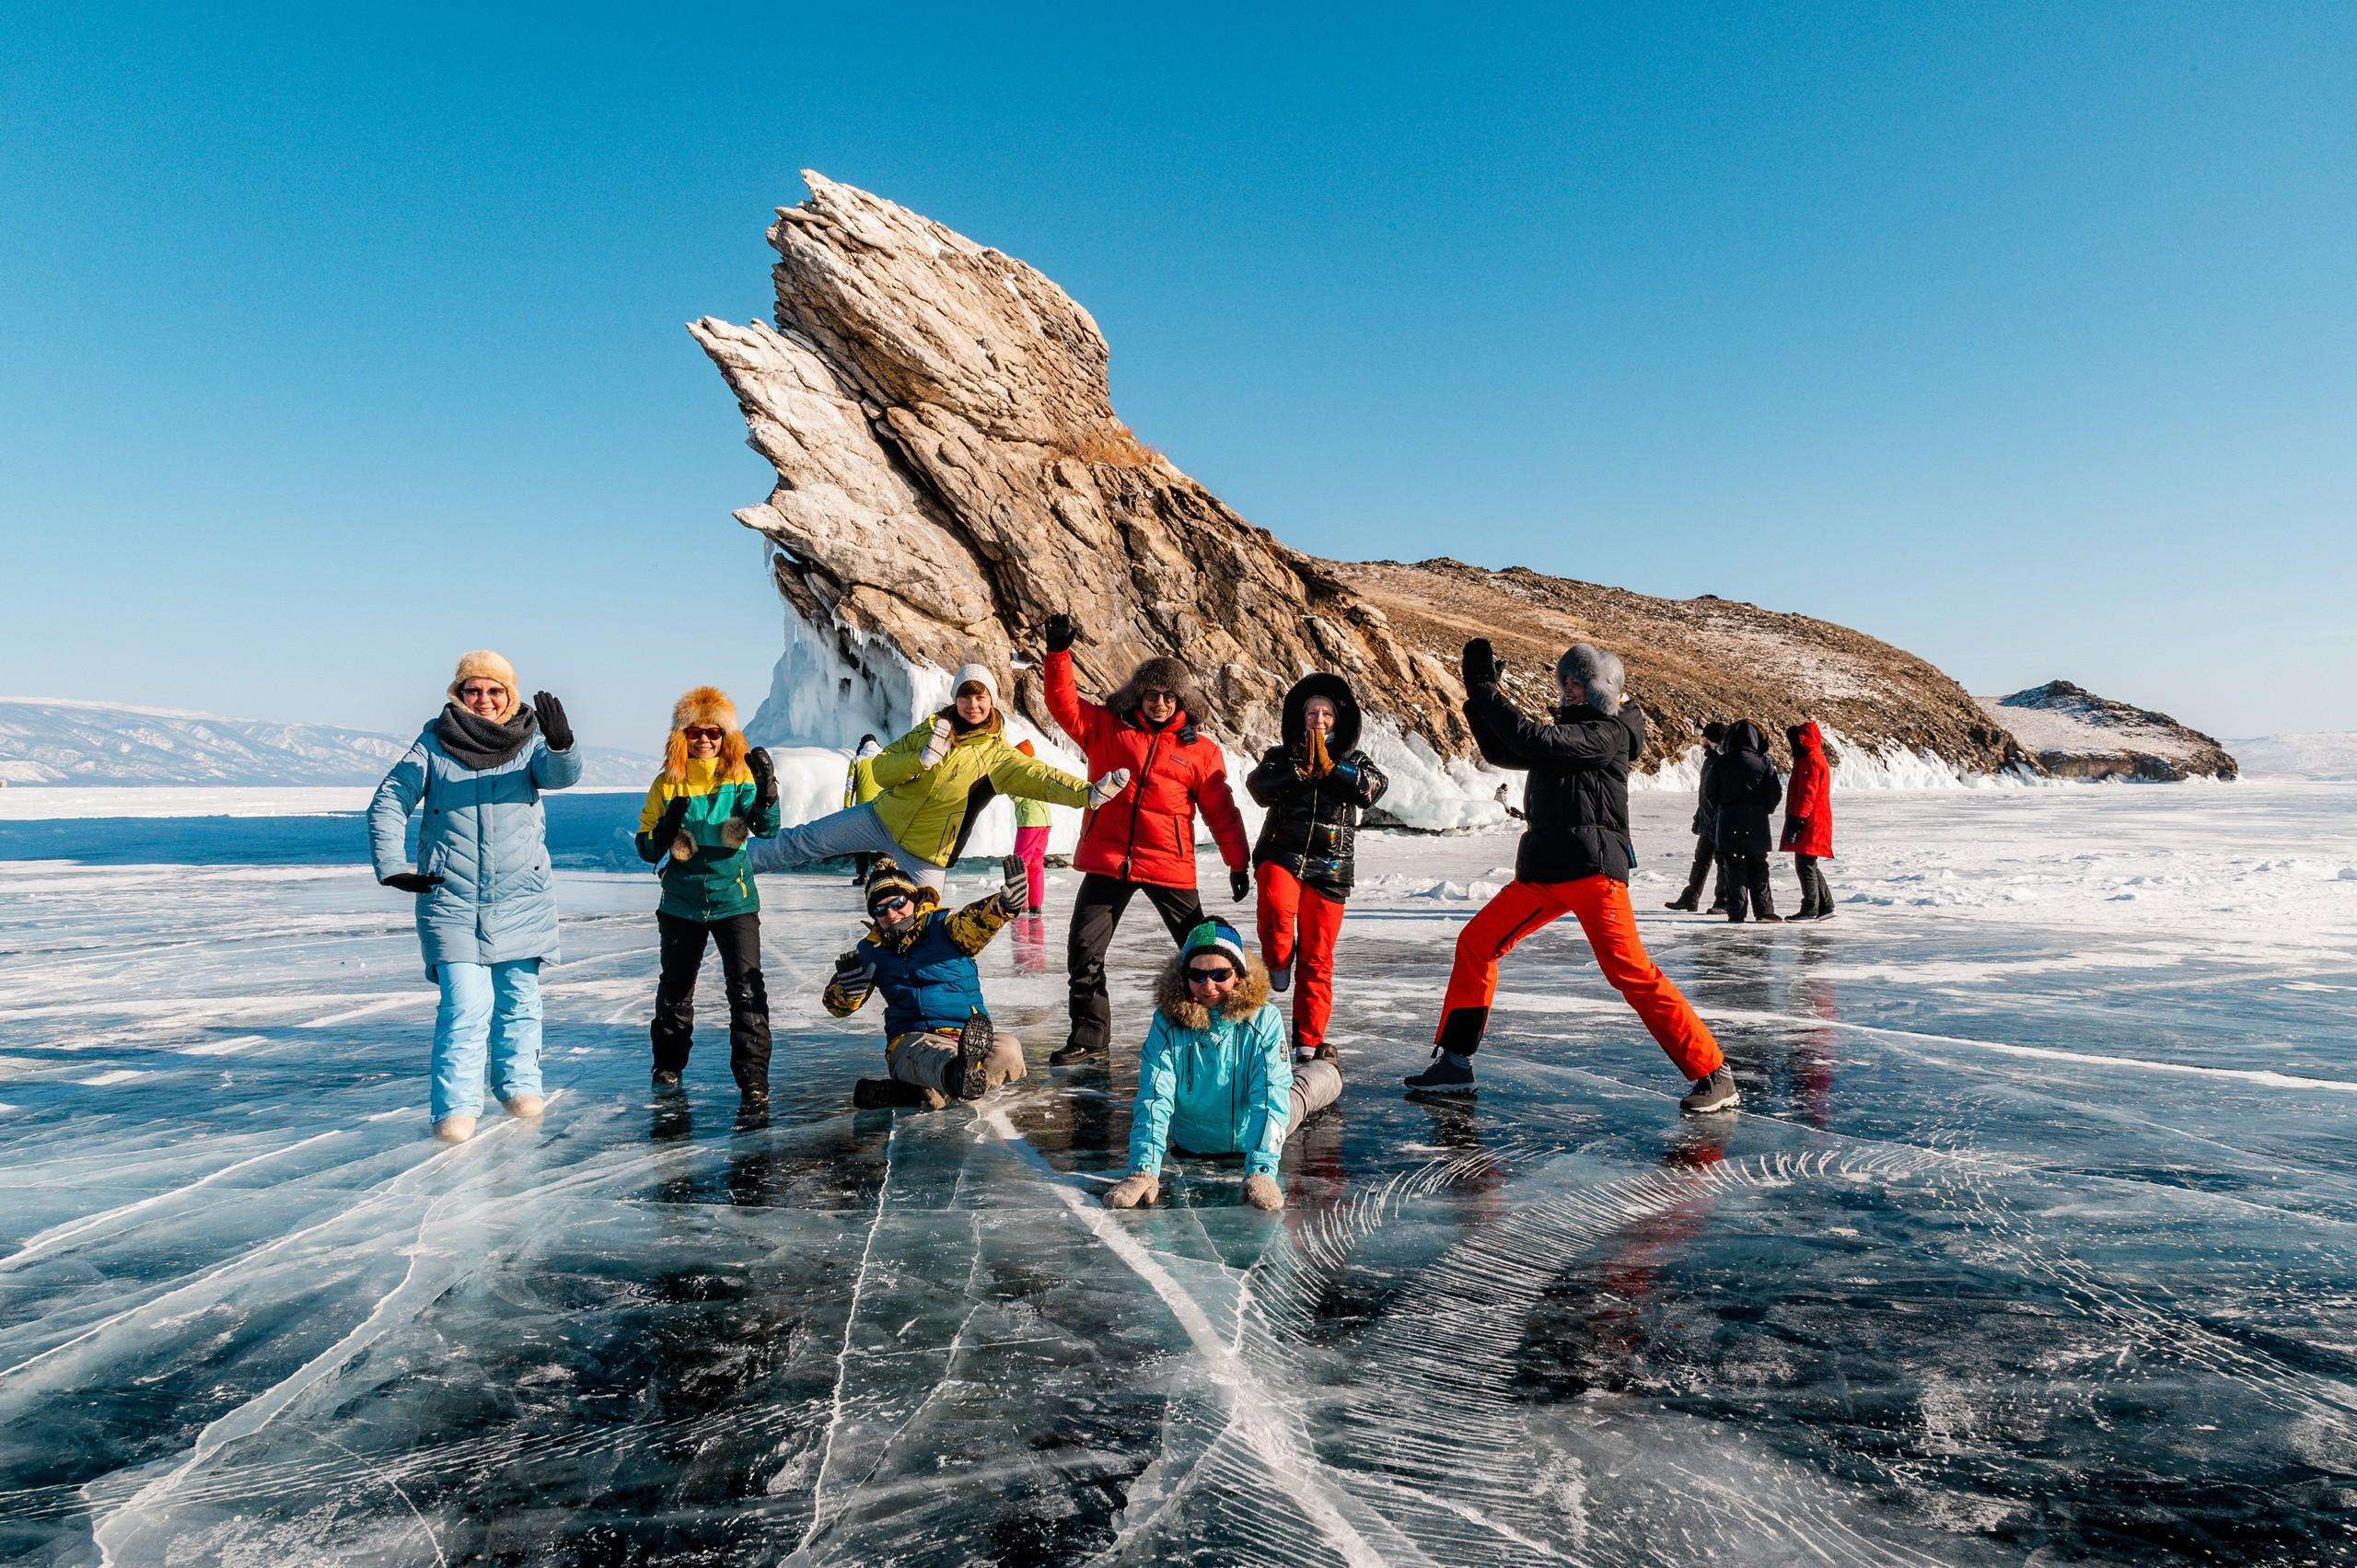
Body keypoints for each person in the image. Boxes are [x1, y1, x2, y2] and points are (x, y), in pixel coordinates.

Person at [1407, 640, 1737, 1115]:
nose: (1566, 691)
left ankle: (1713, 1072)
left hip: (1592, 871)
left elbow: (1532, 740)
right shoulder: (1565, 735)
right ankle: (1455, 1064)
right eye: (1564, 682)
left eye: (1577, 683)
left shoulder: (1608, 734)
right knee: (1476, 943)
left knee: (1629, 971)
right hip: (1543, 872)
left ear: (1602, 690)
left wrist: (1486, 693)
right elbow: (1504, 749)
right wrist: (1480, 694)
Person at [367, 650, 582, 1142]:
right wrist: (391, 868)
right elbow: (387, 801)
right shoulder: (434, 744)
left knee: (519, 1000)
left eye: (494, 691)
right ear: (458, 695)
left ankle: (519, 1085)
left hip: (520, 897)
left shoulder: (529, 744)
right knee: (465, 1004)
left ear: (509, 695)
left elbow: (560, 776)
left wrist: (562, 743)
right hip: (452, 899)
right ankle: (456, 1109)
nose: (483, 700)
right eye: (473, 690)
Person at [1039, 614, 1252, 1065]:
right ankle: (1090, 1036)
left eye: (1168, 696)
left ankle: (1222, 1031)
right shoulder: (1107, 728)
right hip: (1107, 858)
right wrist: (1058, 654)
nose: (1159, 702)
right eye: (1152, 694)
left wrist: (1238, 862)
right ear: (1139, 695)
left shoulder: (1200, 749)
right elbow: (1063, 705)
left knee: (1203, 951)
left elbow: (1221, 812)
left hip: (1168, 863)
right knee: (1084, 950)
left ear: (1181, 700)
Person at [751, 664, 1128, 893]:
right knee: (804, 840)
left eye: (980, 698)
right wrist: (922, 758)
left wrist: (1088, 793)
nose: (973, 705)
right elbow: (881, 770)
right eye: (966, 696)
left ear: (992, 701)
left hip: (927, 854)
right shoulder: (934, 727)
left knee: (927, 932)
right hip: (881, 819)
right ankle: (724, 865)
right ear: (956, 698)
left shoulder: (998, 757)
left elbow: (1041, 777)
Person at [1101, 920, 1342, 1213]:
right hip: (1192, 1139)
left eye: (1220, 974)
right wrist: (1142, 1170)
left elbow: (1270, 1098)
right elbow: (1155, 1098)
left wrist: (1262, 1171)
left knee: (1298, 1094)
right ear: (1185, 975)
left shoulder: (1264, 1020)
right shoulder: (1167, 1023)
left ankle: (1327, 1066)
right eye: (1198, 975)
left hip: (1251, 1129)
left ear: (1238, 975)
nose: (1209, 985)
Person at [635, 687, 782, 1101]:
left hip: (734, 900)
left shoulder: (739, 778)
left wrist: (768, 793)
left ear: (726, 736)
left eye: (713, 733)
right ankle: (667, 1067)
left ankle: (753, 1079)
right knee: (676, 990)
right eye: (695, 732)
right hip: (681, 902)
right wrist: (665, 829)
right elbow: (646, 846)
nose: (704, 740)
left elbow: (766, 828)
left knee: (747, 989)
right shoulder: (666, 783)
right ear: (682, 735)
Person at [1245, 672, 1388, 1063]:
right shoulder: (1281, 756)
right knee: (1275, 913)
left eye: (1326, 713)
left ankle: (1308, 1041)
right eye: (1312, 712)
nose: (1319, 719)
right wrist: (1300, 772)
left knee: (1317, 956)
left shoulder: (1354, 761)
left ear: (1338, 720)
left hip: (1331, 868)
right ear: (1300, 717)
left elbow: (1373, 789)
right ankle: (1276, 961)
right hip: (1282, 855)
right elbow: (1258, 788)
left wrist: (1333, 770)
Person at [823, 855, 1030, 1109]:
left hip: (967, 1035)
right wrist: (849, 992)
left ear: (913, 899)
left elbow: (978, 920)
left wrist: (1005, 904)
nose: (891, 913)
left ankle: (925, 1095)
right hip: (913, 1040)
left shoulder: (945, 927)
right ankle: (955, 1077)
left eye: (897, 902)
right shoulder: (870, 951)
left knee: (1009, 1051)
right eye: (880, 910)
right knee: (933, 1057)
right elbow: (837, 1006)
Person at [1710, 721, 1784, 923]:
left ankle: (1736, 911)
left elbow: (1711, 792)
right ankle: (1764, 911)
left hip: (1729, 819)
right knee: (1758, 864)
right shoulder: (1763, 762)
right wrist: (1766, 808)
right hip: (1756, 820)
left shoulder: (1722, 762)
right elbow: (1775, 791)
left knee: (1733, 866)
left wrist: (1722, 807)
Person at [1665, 720, 1730, 912]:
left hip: (1722, 820)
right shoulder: (1711, 758)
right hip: (1707, 818)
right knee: (1701, 860)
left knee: (1722, 862)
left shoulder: (1725, 759)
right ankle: (1689, 898)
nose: (1701, 739)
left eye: (1704, 736)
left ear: (1711, 739)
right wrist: (1699, 815)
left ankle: (1722, 901)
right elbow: (1705, 792)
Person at [1782, 720, 1837, 919]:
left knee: (1804, 864)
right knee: (1809, 863)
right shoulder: (1812, 757)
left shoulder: (1810, 760)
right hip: (1815, 818)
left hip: (1811, 819)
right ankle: (1826, 906)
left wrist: (1798, 819)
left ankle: (1810, 908)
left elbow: (1807, 793)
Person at [1011, 738, 1053, 914]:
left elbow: (1018, 796)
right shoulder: (1040, 768)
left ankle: (1020, 904)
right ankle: (1036, 905)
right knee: (1036, 864)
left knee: (1019, 862)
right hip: (1045, 821)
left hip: (1030, 821)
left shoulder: (1023, 771)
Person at [843, 732, 883, 885]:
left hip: (862, 809)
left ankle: (862, 875)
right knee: (884, 841)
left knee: (861, 843)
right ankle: (882, 873)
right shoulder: (885, 758)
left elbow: (850, 786)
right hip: (884, 806)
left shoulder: (857, 760)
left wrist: (847, 808)